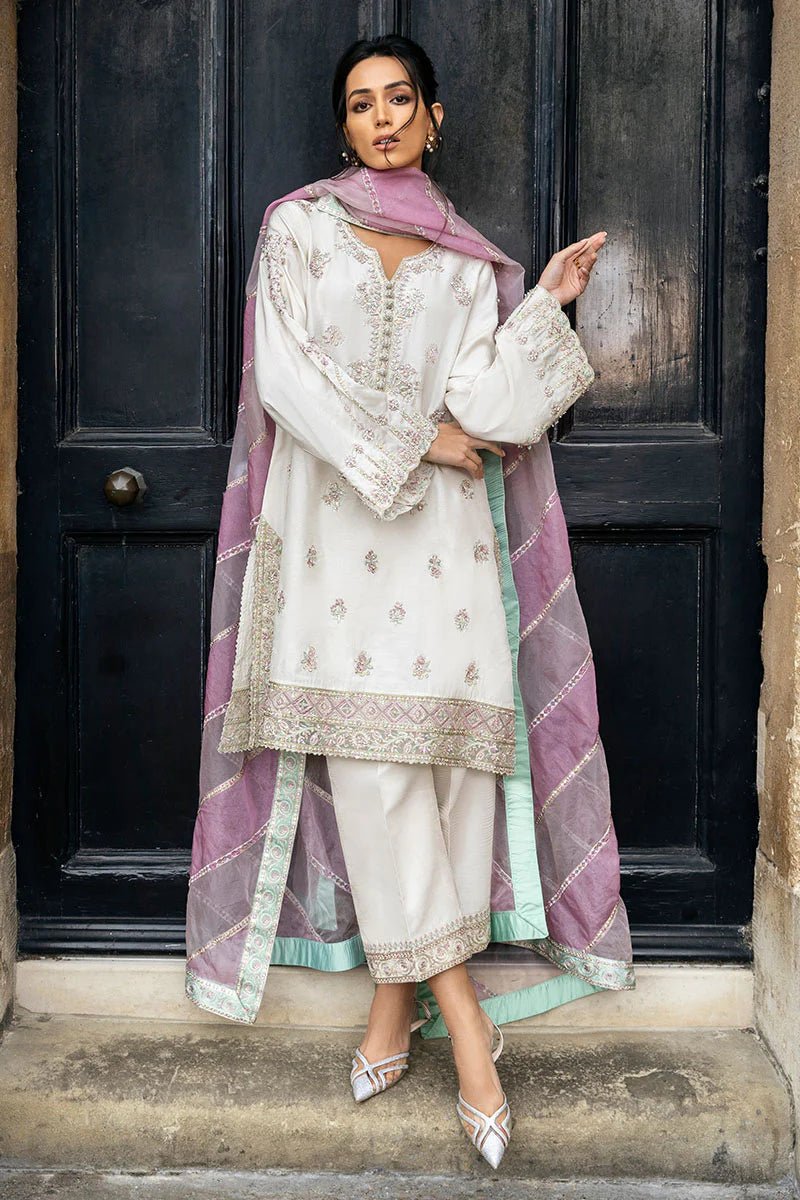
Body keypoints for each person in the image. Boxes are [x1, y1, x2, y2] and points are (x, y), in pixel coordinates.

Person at [185, 33, 634, 1171]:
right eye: (359, 104)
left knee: (445, 780)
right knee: (377, 778)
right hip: (334, 546)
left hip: (444, 553)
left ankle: (393, 1015)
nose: (380, 119)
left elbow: (487, 407)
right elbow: (287, 379)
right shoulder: (298, 230)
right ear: (342, 126)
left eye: (399, 101)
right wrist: (417, 437)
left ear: (433, 118)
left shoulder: (468, 266)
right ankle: (467, 1028)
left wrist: (545, 304)